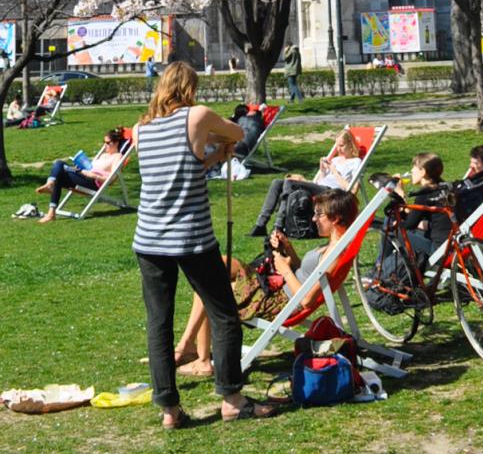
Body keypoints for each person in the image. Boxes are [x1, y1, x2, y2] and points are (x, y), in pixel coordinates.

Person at [132, 60, 276, 428]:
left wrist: (211, 157)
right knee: (224, 313)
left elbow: (178, 169)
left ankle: (169, 409)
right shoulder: (196, 116)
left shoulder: (141, 128)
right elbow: (239, 133)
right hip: (190, 237)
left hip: (149, 239)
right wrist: (219, 147)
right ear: (190, 88)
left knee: (158, 323)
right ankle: (232, 398)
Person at [175, 189, 359, 376]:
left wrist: (284, 270)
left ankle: (199, 357)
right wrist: (288, 249)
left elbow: (306, 301)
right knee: (216, 265)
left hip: (277, 302)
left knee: (207, 285)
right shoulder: (334, 245)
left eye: (319, 214)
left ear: (335, 218)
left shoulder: (335, 254)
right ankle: (189, 347)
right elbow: (306, 273)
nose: (313, 219)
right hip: (273, 289)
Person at [248, 128, 362, 236]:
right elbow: (320, 181)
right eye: (337, 145)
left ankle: (279, 225)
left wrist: (334, 171)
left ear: (350, 144)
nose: (338, 149)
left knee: (290, 184)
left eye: (342, 145)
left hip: (332, 192)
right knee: (277, 182)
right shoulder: (335, 159)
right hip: (320, 186)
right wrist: (322, 170)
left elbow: (352, 190)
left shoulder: (356, 162)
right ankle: (260, 224)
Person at [34, 128, 126, 223]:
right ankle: (51, 212)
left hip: (93, 182)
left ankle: (50, 186)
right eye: (104, 142)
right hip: (84, 175)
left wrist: (93, 175)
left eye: (107, 142)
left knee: (59, 164)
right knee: (59, 173)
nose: (105, 145)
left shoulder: (118, 157)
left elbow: (111, 179)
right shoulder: (103, 155)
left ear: (116, 143)